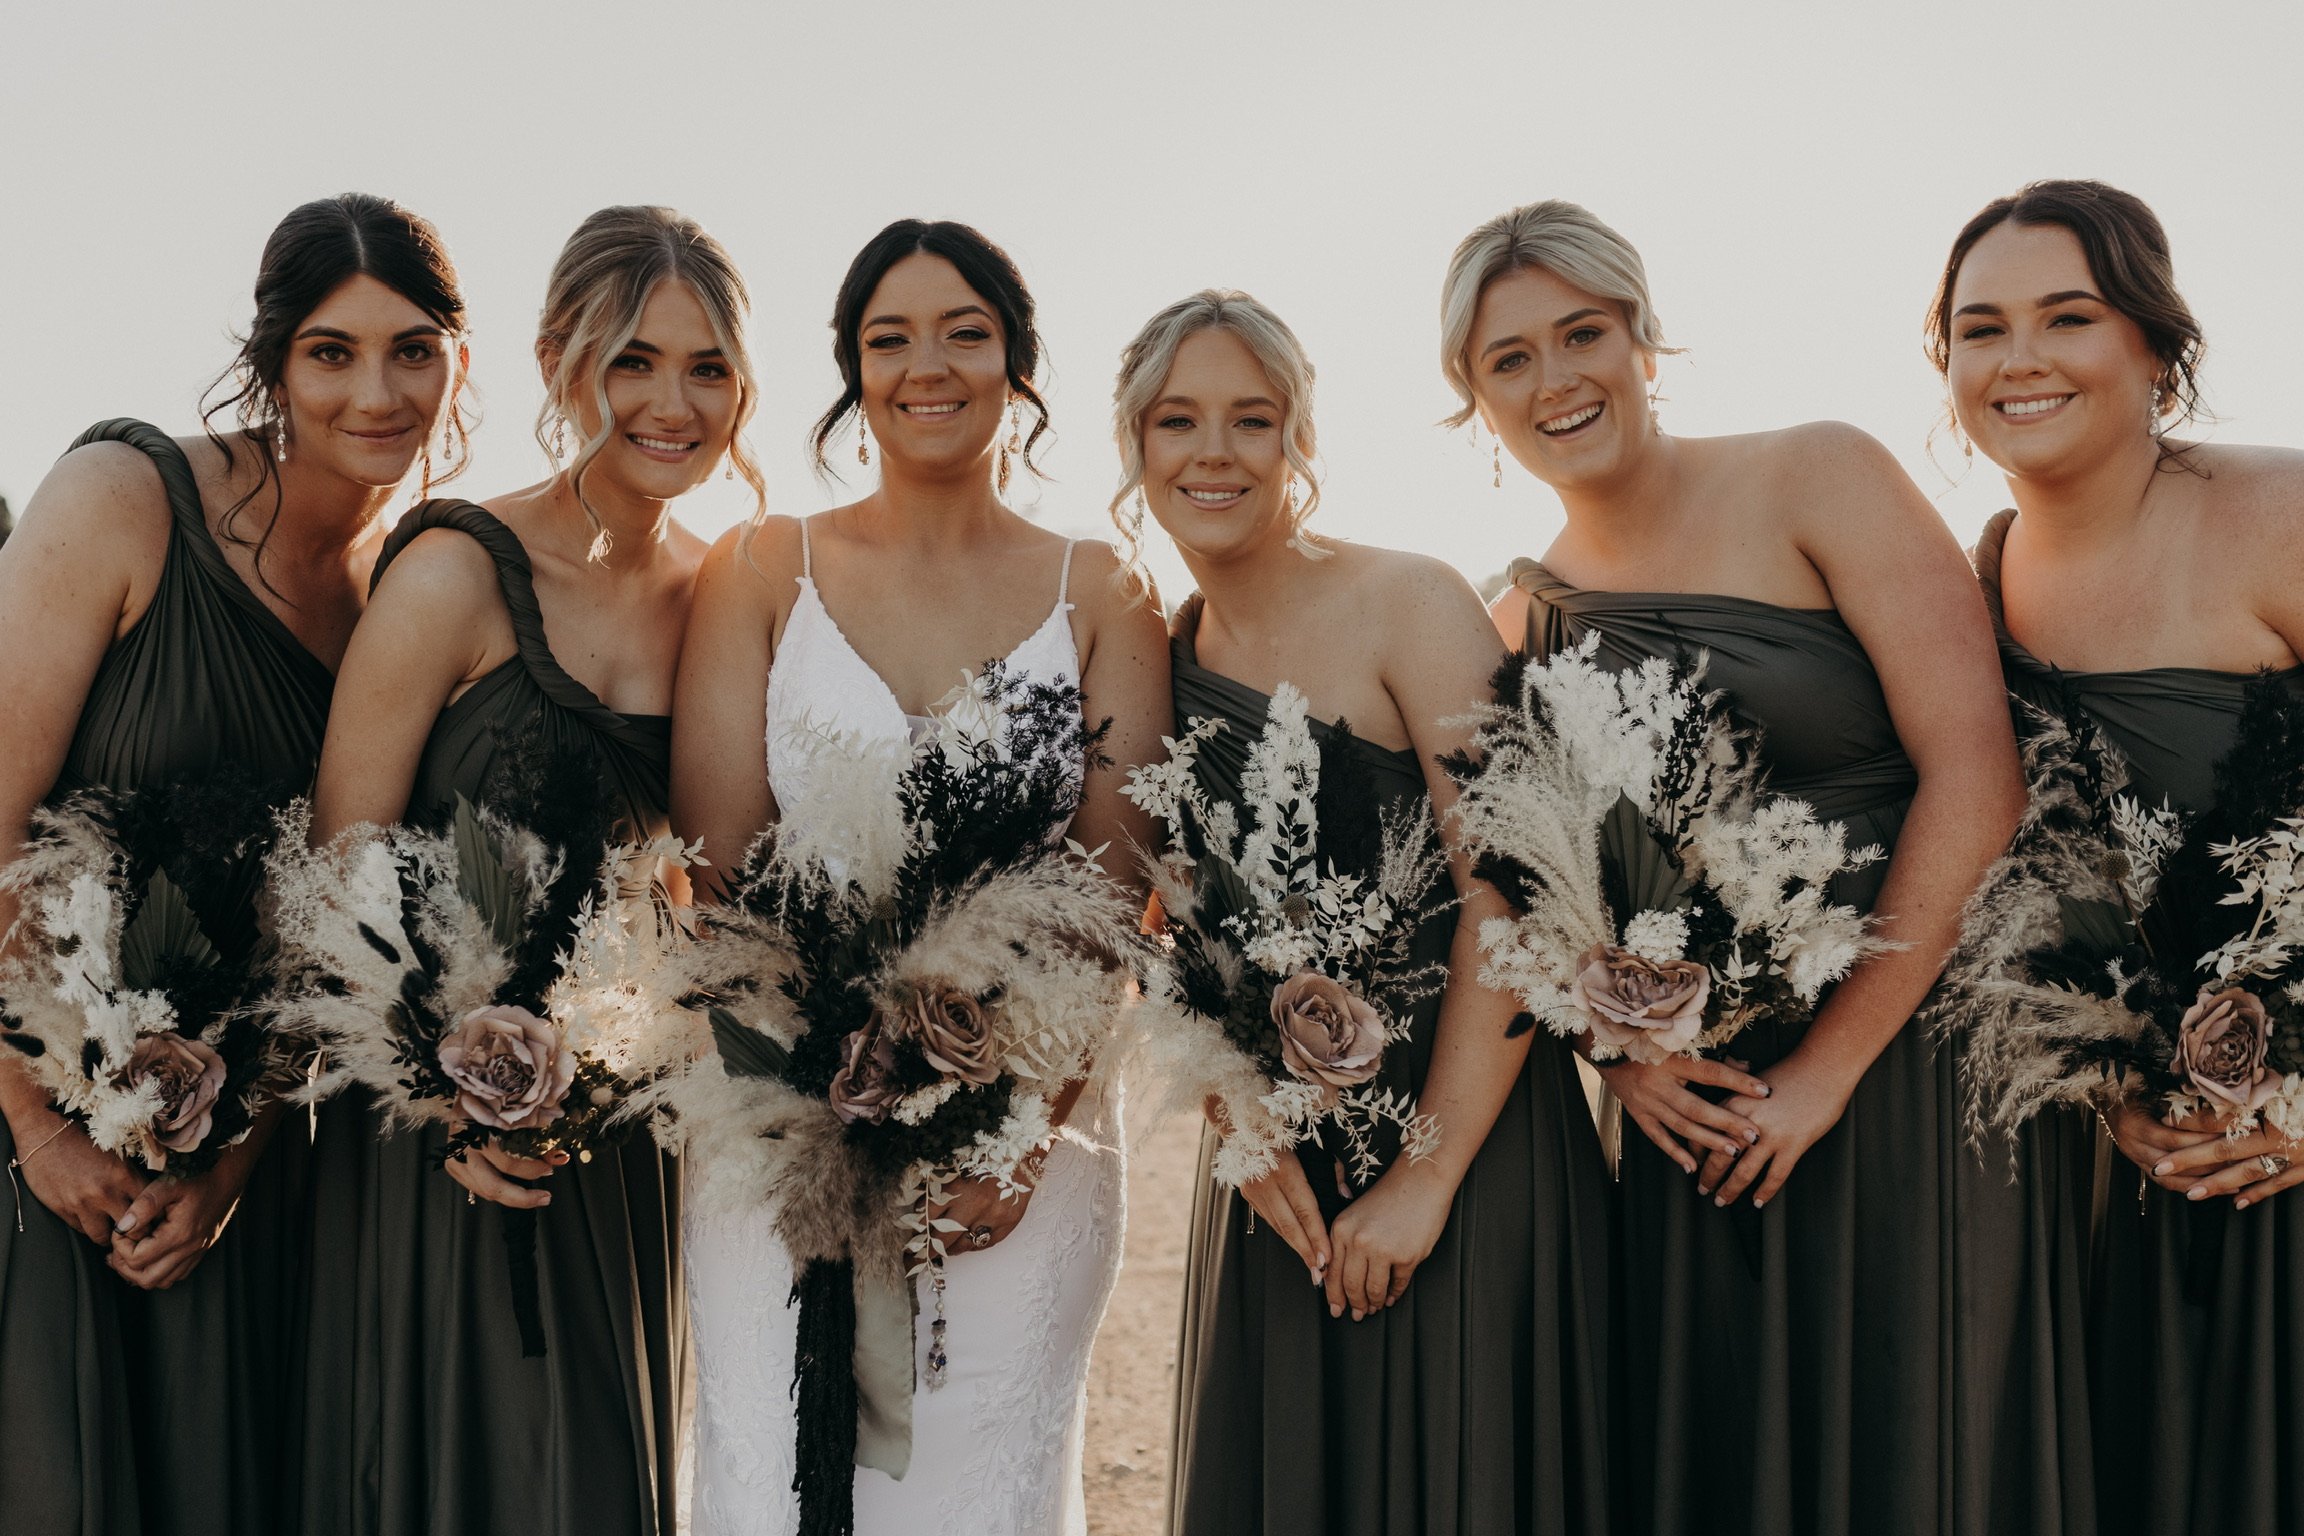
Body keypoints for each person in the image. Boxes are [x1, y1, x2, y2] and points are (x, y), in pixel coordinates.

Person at [1460, 198, 2078, 1535]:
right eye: (1509, 359)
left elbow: (1979, 772)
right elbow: (1525, 894)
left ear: (1645, 341)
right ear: (1472, 400)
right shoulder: (1512, 620)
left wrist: (1829, 1072)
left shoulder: (1819, 475)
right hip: (1702, 1122)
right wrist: (1621, 1056)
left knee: (1919, 1463)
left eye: (1584, 333)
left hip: (1906, 1072)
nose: (1555, 379)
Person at [671, 217, 1171, 1535]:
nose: (926, 365)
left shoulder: (1102, 589)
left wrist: (1012, 1127)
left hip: (1026, 1141)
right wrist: (812, 1100)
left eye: (965, 332)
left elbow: (1115, 891)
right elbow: (716, 873)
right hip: (776, 1127)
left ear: (1017, 361)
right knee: (767, 1476)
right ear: (851, 369)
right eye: (888, 338)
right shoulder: (761, 565)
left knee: (979, 1490)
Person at [0, 193, 467, 1536]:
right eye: (332, 351)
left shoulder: (403, 599)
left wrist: (236, 1160)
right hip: (37, 1152)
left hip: (241, 1180)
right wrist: (34, 1129)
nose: (377, 392)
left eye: (414, 348)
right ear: (271, 360)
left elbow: (335, 937)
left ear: (458, 360)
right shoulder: (124, 501)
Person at [294, 205, 754, 1536]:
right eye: (633, 360)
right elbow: (340, 871)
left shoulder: (719, 593)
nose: (673, 402)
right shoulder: (452, 572)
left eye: (708, 367)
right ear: (558, 359)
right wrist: (446, 1099)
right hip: (436, 1142)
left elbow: (709, 887)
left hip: (621, 1139)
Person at [1138, 290, 1615, 1534]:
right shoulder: (1162, 651)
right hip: (1279, 1180)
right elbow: (1176, 930)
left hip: (1466, 1147)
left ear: (1300, 436)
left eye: (1253, 418)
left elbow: (1519, 893)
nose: (1215, 452)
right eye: (1178, 419)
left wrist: (1427, 1174)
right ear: (1134, 444)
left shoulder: (1410, 599)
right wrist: (1232, 1107)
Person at [1933, 177, 2304, 1535]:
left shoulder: (2281, 514)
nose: (2018, 358)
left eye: (2066, 316)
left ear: (2155, 344)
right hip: (2103, 1191)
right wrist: (2105, 1089)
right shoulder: (1966, 589)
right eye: (1980, 329)